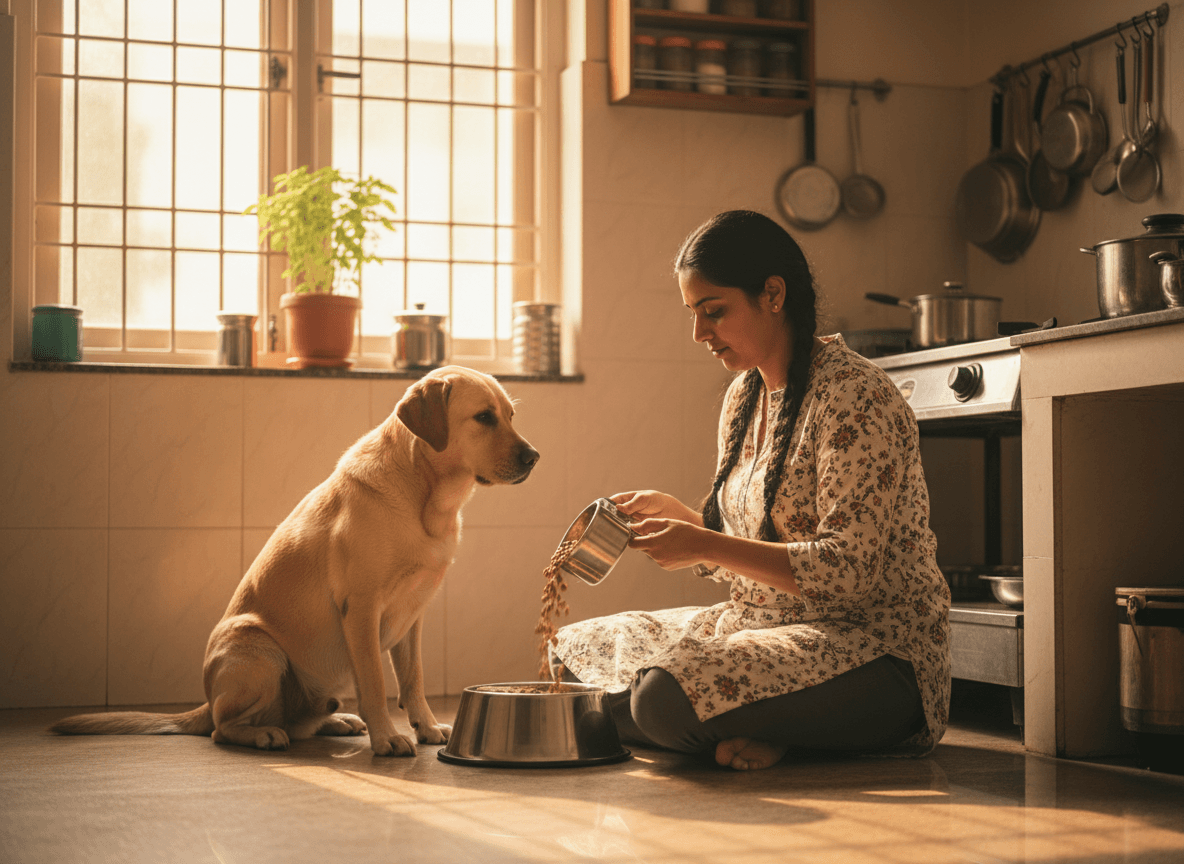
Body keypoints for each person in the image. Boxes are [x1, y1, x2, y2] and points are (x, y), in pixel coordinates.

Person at [551, 210, 951, 771]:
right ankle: (759, 727)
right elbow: (747, 549)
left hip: (874, 653)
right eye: (693, 314)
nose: (699, 333)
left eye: (713, 312)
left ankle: (774, 728)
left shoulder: (855, 397)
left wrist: (704, 544)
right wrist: (694, 524)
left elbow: (847, 572)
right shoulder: (744, 397)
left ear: (772, 294)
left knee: (661, 699)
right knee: (574, 655)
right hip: (760, 629)